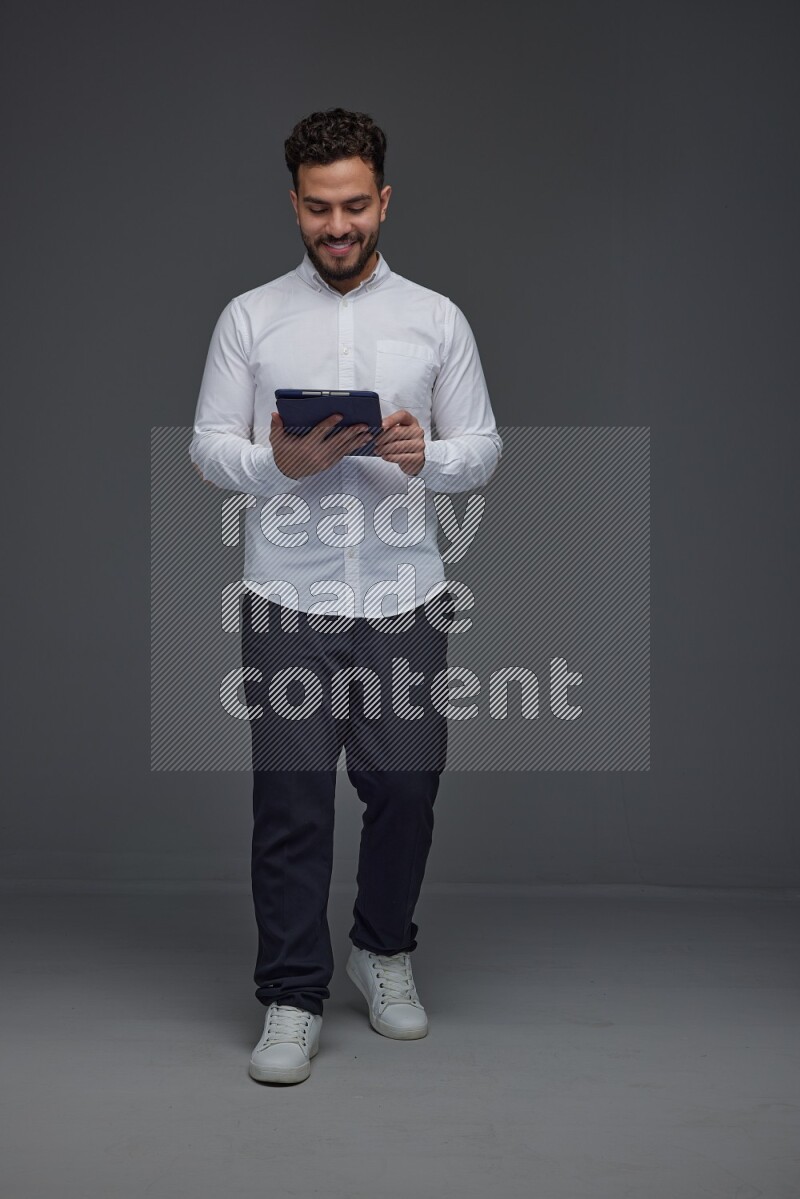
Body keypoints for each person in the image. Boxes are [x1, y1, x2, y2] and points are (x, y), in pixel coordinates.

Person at [189, 107, 502, 1085]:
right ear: (293, 204)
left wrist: (430, 452)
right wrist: (274, 462)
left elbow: (482, 447)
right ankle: (290, 993)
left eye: (354, 206)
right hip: (287, 598)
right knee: (291, 802)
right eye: (318, 208)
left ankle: (382, 946)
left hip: (404, 599)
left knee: (405, 786)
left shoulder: (436, 318)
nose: (337, 226)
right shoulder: (250, 317)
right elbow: (206, 445)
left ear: (383, 200)